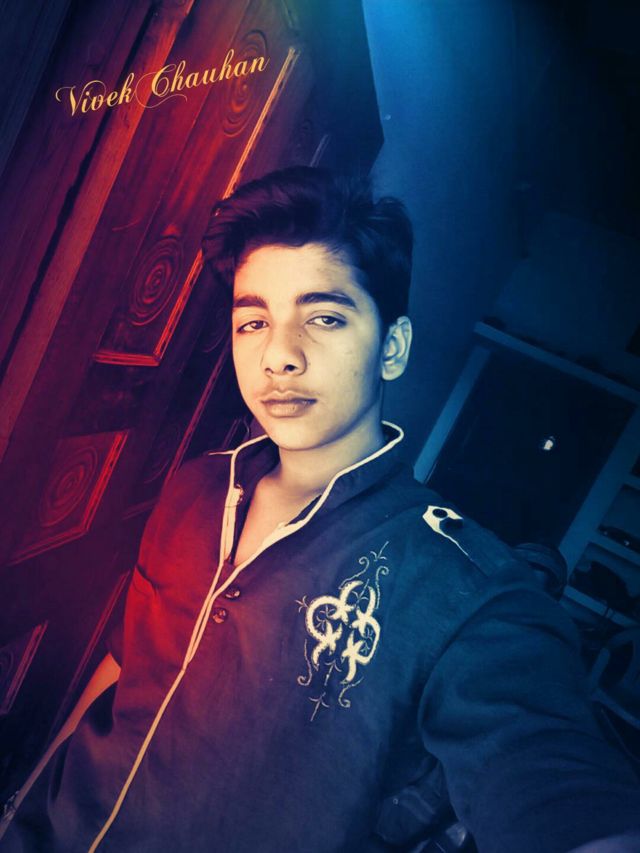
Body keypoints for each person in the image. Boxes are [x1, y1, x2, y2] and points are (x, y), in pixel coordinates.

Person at [2, 167, 639, 852]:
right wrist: (20, 807)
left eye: (325, 317)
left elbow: (552, 781)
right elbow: (122, 665)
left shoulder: (464, 590)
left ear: (392, 348)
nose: (279, 355)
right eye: (254, 321)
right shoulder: (195, 487)